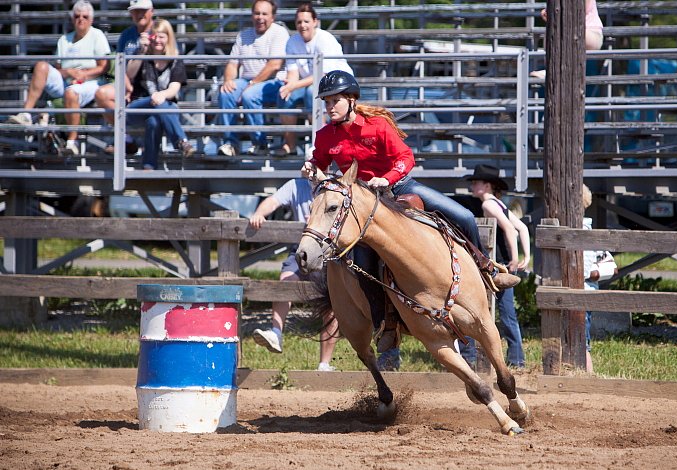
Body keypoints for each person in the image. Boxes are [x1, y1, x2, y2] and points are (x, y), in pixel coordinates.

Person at [301, 71, 520, 369]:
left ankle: (486, 268)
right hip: (363, 209)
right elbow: (319, 160)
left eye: (335, 100)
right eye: (326, 101)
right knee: (365, 268)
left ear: (352, 100)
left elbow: (405, 158)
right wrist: (311, 167)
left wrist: (386, 178)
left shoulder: (377, 126)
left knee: (464, 215)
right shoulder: (326, 135)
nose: (330, 106)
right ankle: (386, 330)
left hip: (400, 187)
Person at [248, 178, 340, 371]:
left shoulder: (335, 185)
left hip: (327, 252)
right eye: (309, 163)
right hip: (299, 249)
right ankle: (276, 333)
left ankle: (325, 363)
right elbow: (273, 201)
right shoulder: (297, 185)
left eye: (315, 165)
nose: (310, 170)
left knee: (331, 306)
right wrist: (258, 213)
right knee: (285, 283)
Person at [6, 0, 110, 156]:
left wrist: (83, 75)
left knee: (71, 92)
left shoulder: (97, 35)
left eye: (85, 16)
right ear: (72, 18)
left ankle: (71, 141)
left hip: (91, 82)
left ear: (91, 20)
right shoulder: (64, 40)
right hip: (66, 80)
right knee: (41, 66)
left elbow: (104, 67)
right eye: (77, 16)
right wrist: (69, 73)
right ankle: (26, 114)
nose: (80, 19)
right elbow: (59, 69)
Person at [464, 164, 530, 368]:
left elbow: (511, 229)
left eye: (476, 183)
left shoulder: (488, 206)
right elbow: (523, 228)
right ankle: (517, 358)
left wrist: (513, 257)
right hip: (505, 265)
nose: (473, 186)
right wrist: (525, 256)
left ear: (487, 186)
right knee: (507, 313)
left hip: (498, 264)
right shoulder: (499, 204)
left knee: (484, 310)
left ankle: (474, 357)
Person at [272, 2, 354, 158]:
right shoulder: (292, 41)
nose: (302, 25)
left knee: (312, 93)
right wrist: (289, 86)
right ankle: (290, 145)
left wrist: (293, 85)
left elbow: (322, 75)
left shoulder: (325, 39)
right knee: (284, 95)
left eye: (306, 21)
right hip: (308, 82)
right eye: (299, 22)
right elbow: (293, 72)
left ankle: (321, 143)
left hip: (338, 81)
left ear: (315, 22)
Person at [217, 0, 289, 157]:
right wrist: (228, 80)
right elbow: (232, 64)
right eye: (257, 13)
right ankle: (230, 143)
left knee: (250, 95)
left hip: (275, 81)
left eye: (264, 14)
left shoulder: (279, 32)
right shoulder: (243, 35)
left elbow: (275, 65)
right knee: (226, 92)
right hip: (248, 80)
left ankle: (260, 143)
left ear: (273, 17)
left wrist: (252, 84)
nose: (260, 17)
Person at [125, 18, 194, 170]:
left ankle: (148, 166)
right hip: (138, 107)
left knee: (153, 121)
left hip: (160, 108)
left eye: (162, 36)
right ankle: (181, 142)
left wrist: (161, 95)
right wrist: (142, 52)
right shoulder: (143, 55)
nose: (157, 40)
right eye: (154, 36)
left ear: (169, 38)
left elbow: (174, 88)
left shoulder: (175, 59)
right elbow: (129, 74)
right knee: (164, 105)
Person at [95, 0, 155, 155]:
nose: (139, 14)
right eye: (135, 11)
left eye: (143, 10)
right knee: (101, 94)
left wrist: (145, 51)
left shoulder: (160, 32)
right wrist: (127, 86)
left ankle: (126, 140)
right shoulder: (126, 35)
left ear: (151, 11)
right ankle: (126, 138)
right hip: (127, 83)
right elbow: (120, 66)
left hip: (152, 86)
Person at [582, 184, 617, 373]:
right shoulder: (591, 232)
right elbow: (610, 263)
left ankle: (588, 375)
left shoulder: (582, 233)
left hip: (582, 290)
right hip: (588, 290)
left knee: (581, 339)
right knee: (582, 336)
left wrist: (587, 274)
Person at [530, 0, 604, 79]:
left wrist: (555, 15)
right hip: (572, 32)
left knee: (562, 30)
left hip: (591, 33)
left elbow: (577, 11)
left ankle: (553, 70)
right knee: (553, 29)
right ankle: (551, 68)